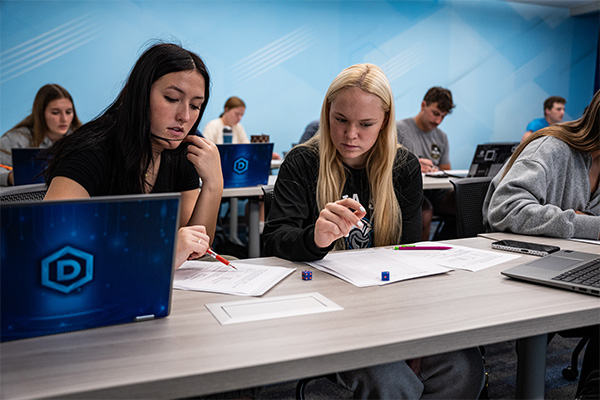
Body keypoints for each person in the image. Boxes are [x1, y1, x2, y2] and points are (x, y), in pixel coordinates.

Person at [263, 63, 484, 399]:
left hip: (388, 306)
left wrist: (415, 328)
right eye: (340, 120)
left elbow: (408, 252)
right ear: (327, 113)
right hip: (326, 309)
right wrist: (315, 238)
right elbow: (275, 240)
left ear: (384, 122)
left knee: (464, 370)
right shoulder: (302, 161)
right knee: (391, 381)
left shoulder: (403, 166)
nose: (351, 135)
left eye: (366, 124)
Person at [43, 43, 223, 269]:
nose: (185, 116)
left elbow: (194, 248)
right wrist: (161, 252)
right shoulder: (90, 152)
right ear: (140, 94)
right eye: (171, 98)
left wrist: (213, 184)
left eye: (196, 105)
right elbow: (50, 245)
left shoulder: (180, 153)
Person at [483, 90, 599, 397]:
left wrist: (579, 221)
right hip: (518, 264)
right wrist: (584, 222)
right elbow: (504, 209)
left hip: (571, 262)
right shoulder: (553, 147)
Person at [483, 91, 599, 240]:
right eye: (558, 109)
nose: (562, 112)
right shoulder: (550, 146)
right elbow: (505, 211)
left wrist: (587, 221)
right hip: (518, 252)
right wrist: (590, 226)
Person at [396, 86, 456, 240]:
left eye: (443, 116)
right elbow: (386, 164)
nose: (438, 121)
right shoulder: (399, 129)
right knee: (424, 211)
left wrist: (434, 169)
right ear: (423, 105)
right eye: (435, 113)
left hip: (435, 193)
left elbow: (445, 171)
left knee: (463, 203)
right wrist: (412, 165)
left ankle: (446, 246)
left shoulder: (441, 137)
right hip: (409, 191)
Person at [0, 84, 81, 186]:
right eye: (55, 113)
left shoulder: (81, 139)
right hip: (26, 199)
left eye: (69, 112)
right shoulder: (15, 140)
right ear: (41, 114)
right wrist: (10, 177)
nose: (64, 119)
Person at [203, 96, 280, 160]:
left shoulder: (238, 127)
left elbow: (247, 149)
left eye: (242, 115)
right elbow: (205, 151)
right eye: (237, 114)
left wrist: (266, 155)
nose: (240, 118)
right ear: (226, 110)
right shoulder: (212, 126)